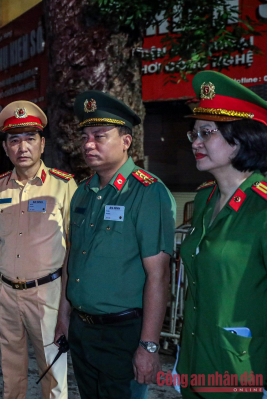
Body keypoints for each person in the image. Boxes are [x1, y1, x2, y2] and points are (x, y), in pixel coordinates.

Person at [66, 91, 176, 399]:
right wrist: (65, 318)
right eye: (85, 136)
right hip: (82, 329)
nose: (89, 144)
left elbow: (159, 275)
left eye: (100, 136)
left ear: (126, 141)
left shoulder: (147, 192)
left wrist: (148, 346)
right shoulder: (83, 192)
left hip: (123, 333)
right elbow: (72, 259)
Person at [176, 71, 267, 398]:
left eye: (207, 132)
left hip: (242, 373)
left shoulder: (263, 208)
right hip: (194, 363)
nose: (195, 142)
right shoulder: (204, 198)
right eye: (194, 133)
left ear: (242, 137)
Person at [0, 101, 76, 399]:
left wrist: (65, 308)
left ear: (42, 143)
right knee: (11, 373)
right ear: (6, 148)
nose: (23, 147)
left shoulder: (64, 186)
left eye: (30, 138)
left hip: (46, 293)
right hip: (4, 293)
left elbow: (72, 249)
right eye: (14, 140)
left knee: (53, 375)